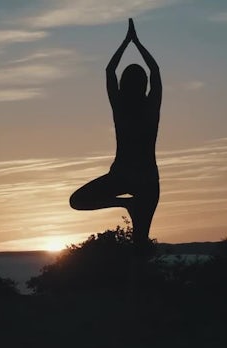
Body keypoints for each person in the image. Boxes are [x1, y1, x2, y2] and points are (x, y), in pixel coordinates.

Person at [70, 18, 161, 246]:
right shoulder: (151, 107)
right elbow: (155, 71)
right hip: (146, 181)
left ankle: (125, 204)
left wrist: (126, 42)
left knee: (78, 201)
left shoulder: (120, 107)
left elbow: (110, 70)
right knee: (140, 243)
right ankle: (128, 206)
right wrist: (137, 43)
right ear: (143, 85)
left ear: (123, 84)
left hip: (123, 176)